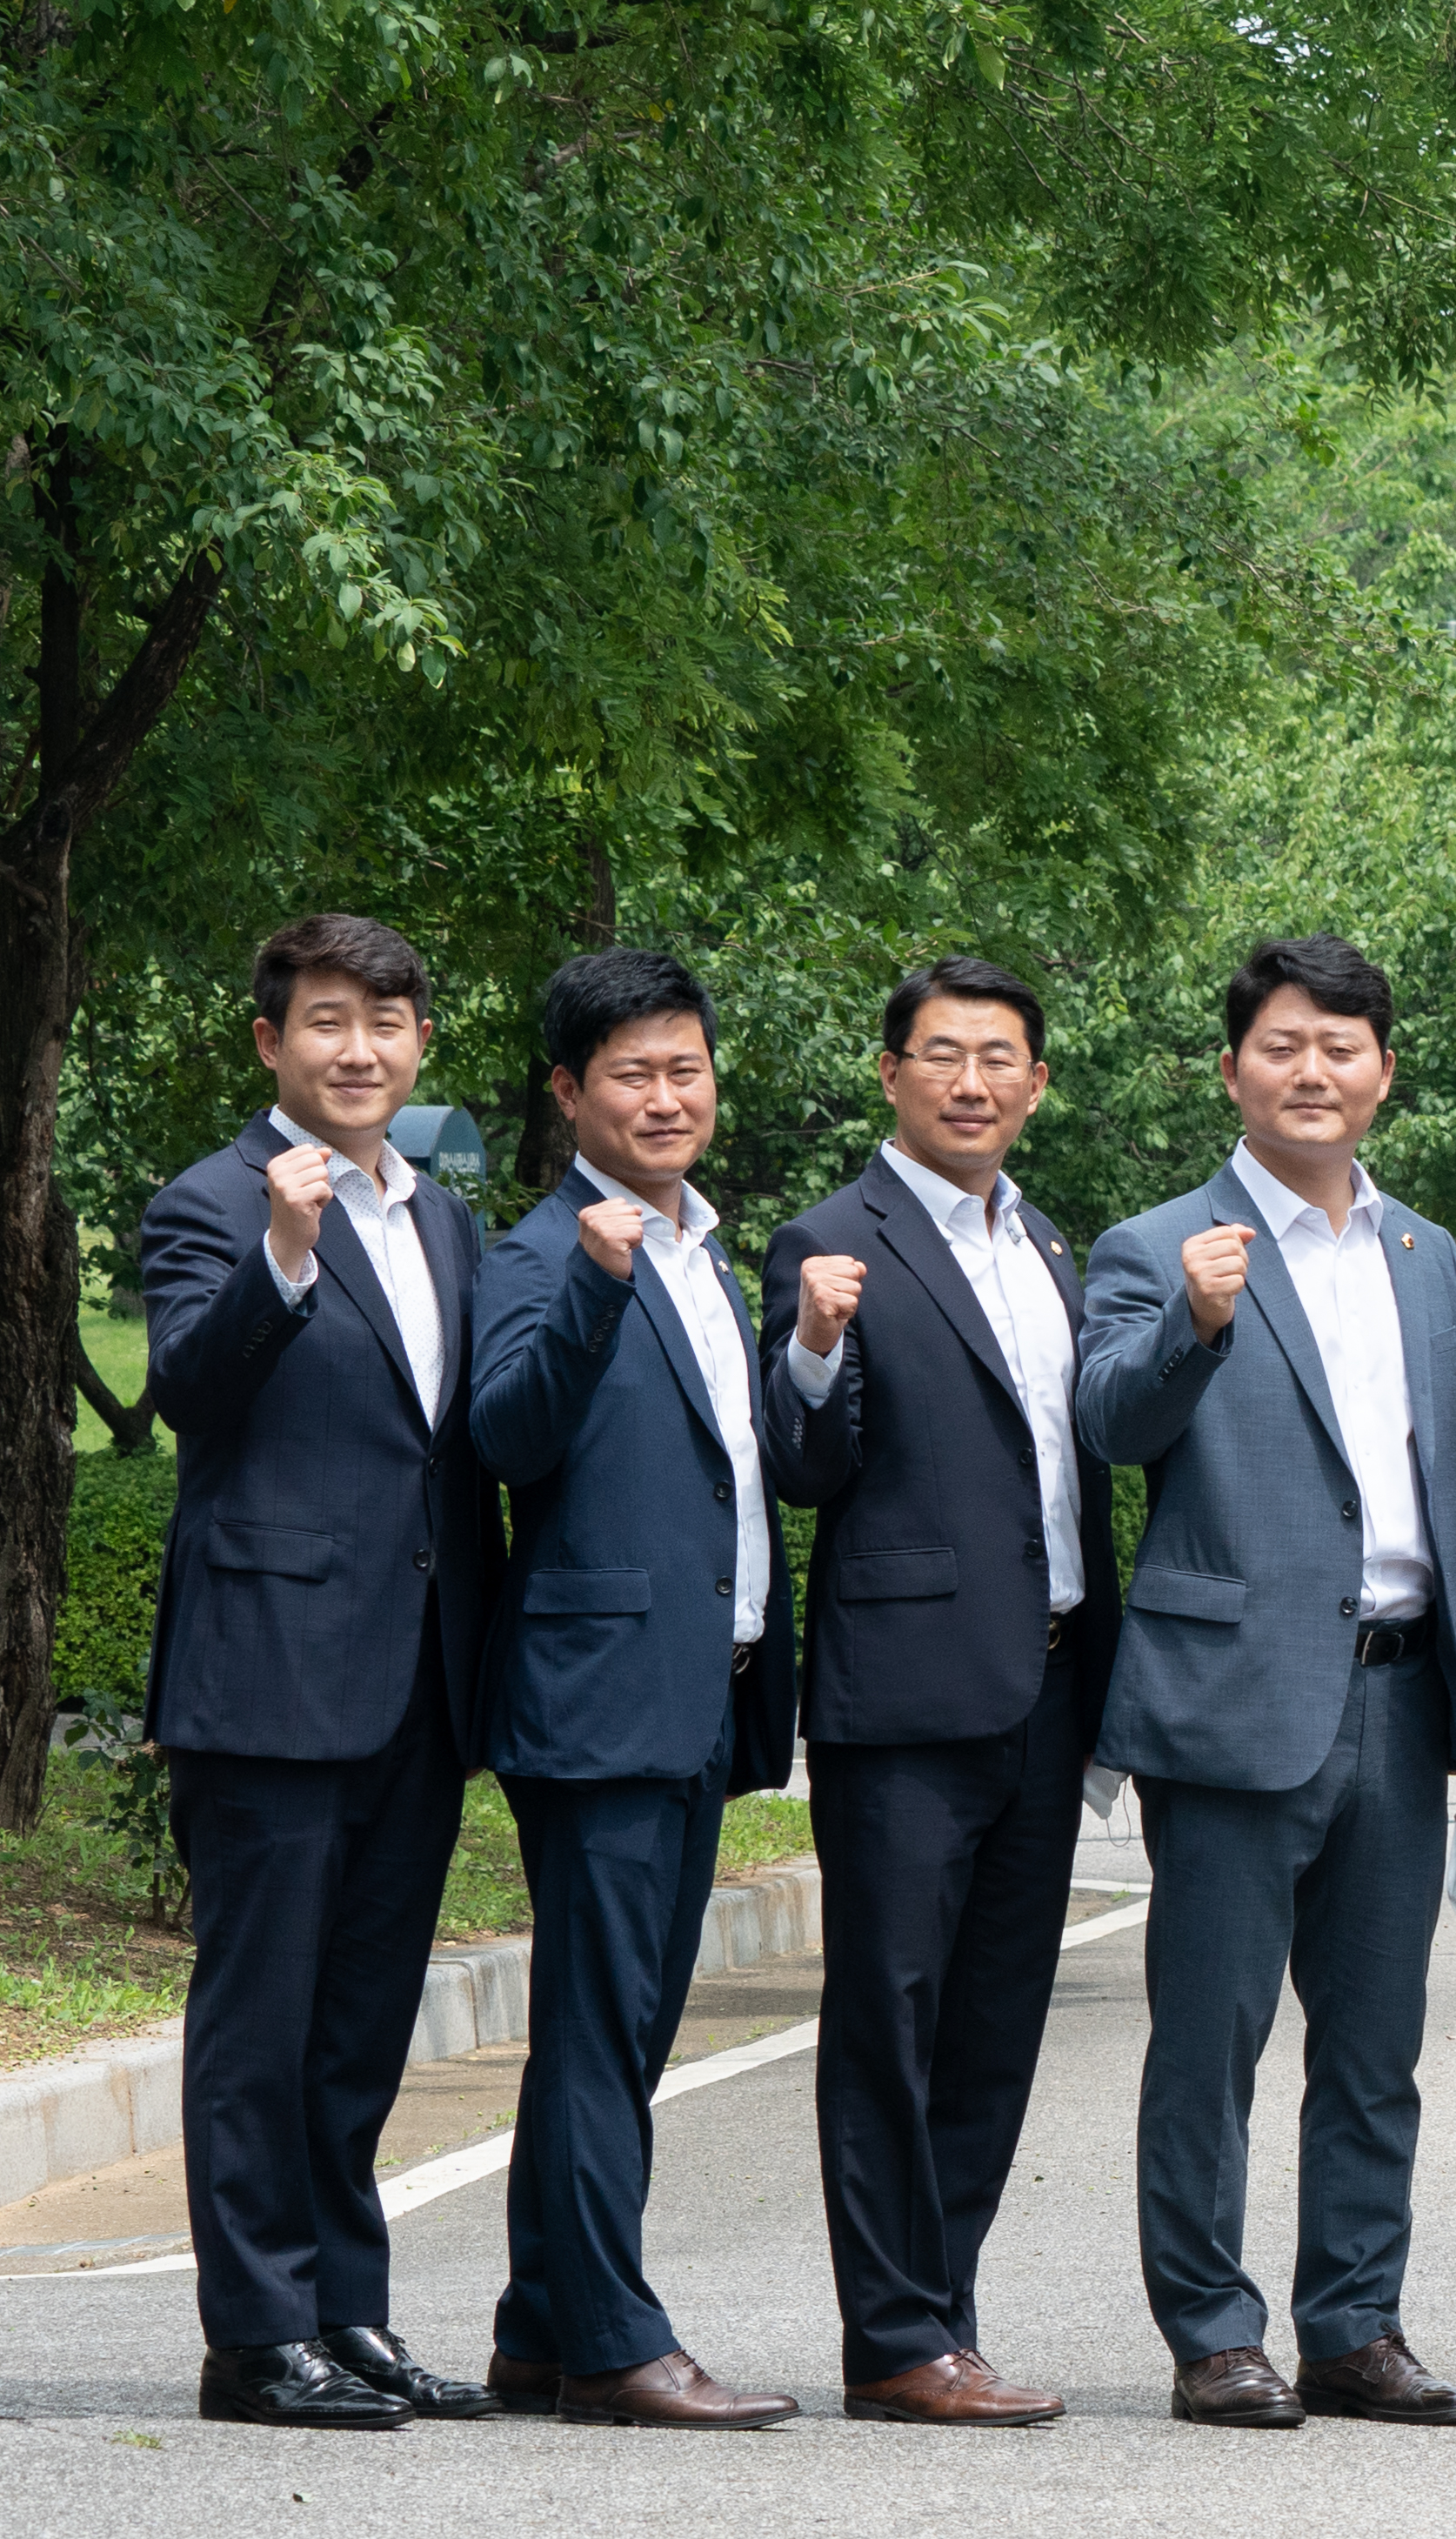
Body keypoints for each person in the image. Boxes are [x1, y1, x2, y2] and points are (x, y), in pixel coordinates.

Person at [1078, 936, 1456, 2433]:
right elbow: (1112, 1425)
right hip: (1229, 1699)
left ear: (1383, 1070)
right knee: (1210, 2041)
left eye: (1340, 1044)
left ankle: (1352, 2322)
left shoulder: (1424, 1252)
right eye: (1280, 1044)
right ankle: (1212, 2331)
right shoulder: (1161, 1242)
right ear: (1231, 1069)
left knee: (1376, 2041)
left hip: (1394, 1693)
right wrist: (1193, 1323)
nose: (1310, 1069)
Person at [138, 917, 502, 2430]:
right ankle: (253, 2333)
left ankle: (347, 2310)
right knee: (261, 2017)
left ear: (422, 1037)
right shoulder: (214, 1201)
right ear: (270, 1041)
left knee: (361, 2020)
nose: (362, 1047)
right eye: (330, 1020)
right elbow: (187, 1392)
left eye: (390, 1019)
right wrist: (284, 1256)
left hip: (417, 1674)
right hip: (270, 1673)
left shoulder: (443, 1217)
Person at [756, 958, 1117, 2427]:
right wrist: (815, 1343)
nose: (973, 1081)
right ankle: (892, 2330)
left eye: (1001, 1057)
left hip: (1045, 1681)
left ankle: (939, 2311)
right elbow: (805, 1464)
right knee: (889, 2014)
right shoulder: (829, 1240)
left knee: (994, 2018)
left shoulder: (1047, 1241)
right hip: (904, 1695)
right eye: (943, 1053)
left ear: (1035, 1082)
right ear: (892, 1070)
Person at [467, 948, 802, 2428]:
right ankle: (613, 2338)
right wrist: (599, 1291)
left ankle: (540, 2325)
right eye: (630, 1073)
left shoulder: (701, 1249)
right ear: (567, 1092)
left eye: (685, 1068)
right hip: (598, 1701)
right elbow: (507, 1435)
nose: (665, 1096)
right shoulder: (550, 1252)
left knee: (626, 2025)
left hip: (691, 1689)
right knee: (605, 2031)